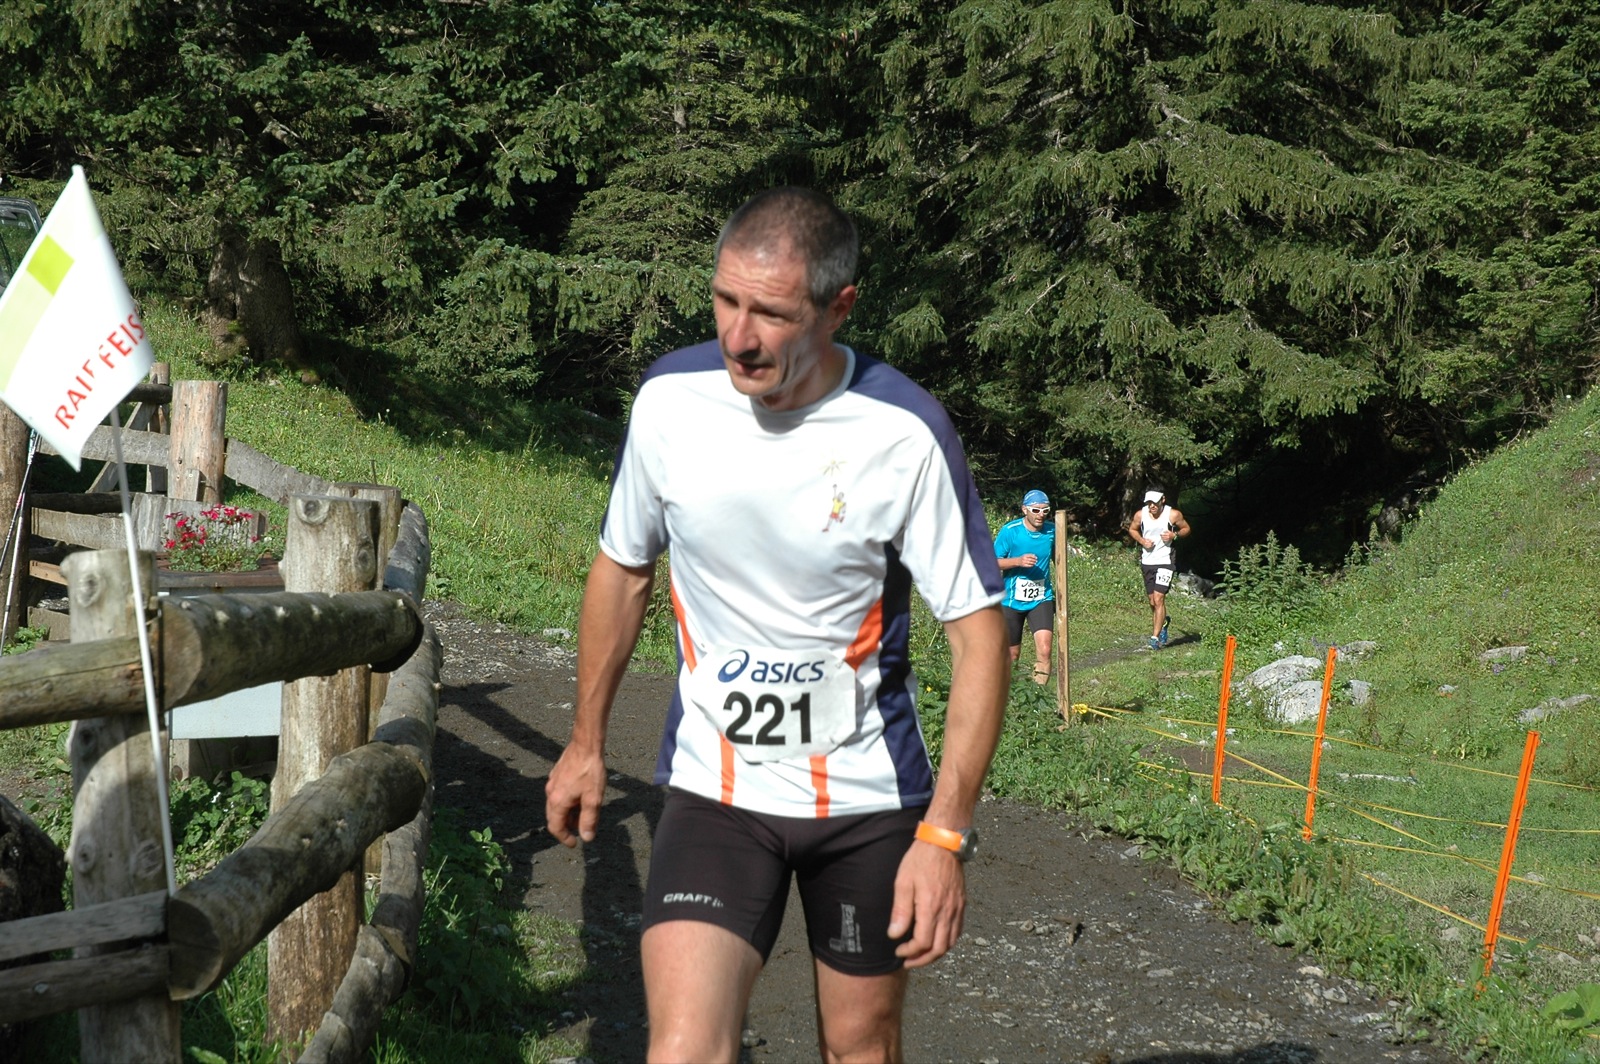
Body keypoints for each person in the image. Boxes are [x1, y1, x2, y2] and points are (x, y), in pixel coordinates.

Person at [543, 186, 1009, 1064]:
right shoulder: (671, 402)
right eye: (725, 300)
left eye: (772, 314)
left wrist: (945, 834)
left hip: (866, 799)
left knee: (859, 1047)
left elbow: (977, 632)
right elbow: (624, 568)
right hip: (717, 789)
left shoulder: (903, 431)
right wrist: (585, 743)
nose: (739, 336)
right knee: (683, 1050)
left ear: (839, 308)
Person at [993, 489, 1056, 684]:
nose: (1041, 515)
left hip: (1041, 598)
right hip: (1011, 601)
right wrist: (1017, 561)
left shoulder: (1053, 531)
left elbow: (1059, 559)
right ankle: (1012, 696)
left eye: (1045, 510)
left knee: (1045, 650)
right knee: (1012, 656)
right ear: (1024, 510)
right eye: (1036, 510)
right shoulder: (1011, 531)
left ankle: (1038, 697)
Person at [1128, 488, 1190, 650]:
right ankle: (1163, 623)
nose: (1152, 506)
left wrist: (1174, 535)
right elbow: (1132, 529)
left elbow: (1186, 529)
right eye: (1149, 503)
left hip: (1165, 561)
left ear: (1162, 500)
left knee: (1158, 598)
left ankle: (1154, 639)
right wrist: (1142, 541)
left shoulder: (1173, 515)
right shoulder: (1140, 515)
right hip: (1148, 561)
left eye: (1154, 503)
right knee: (1152, 601)